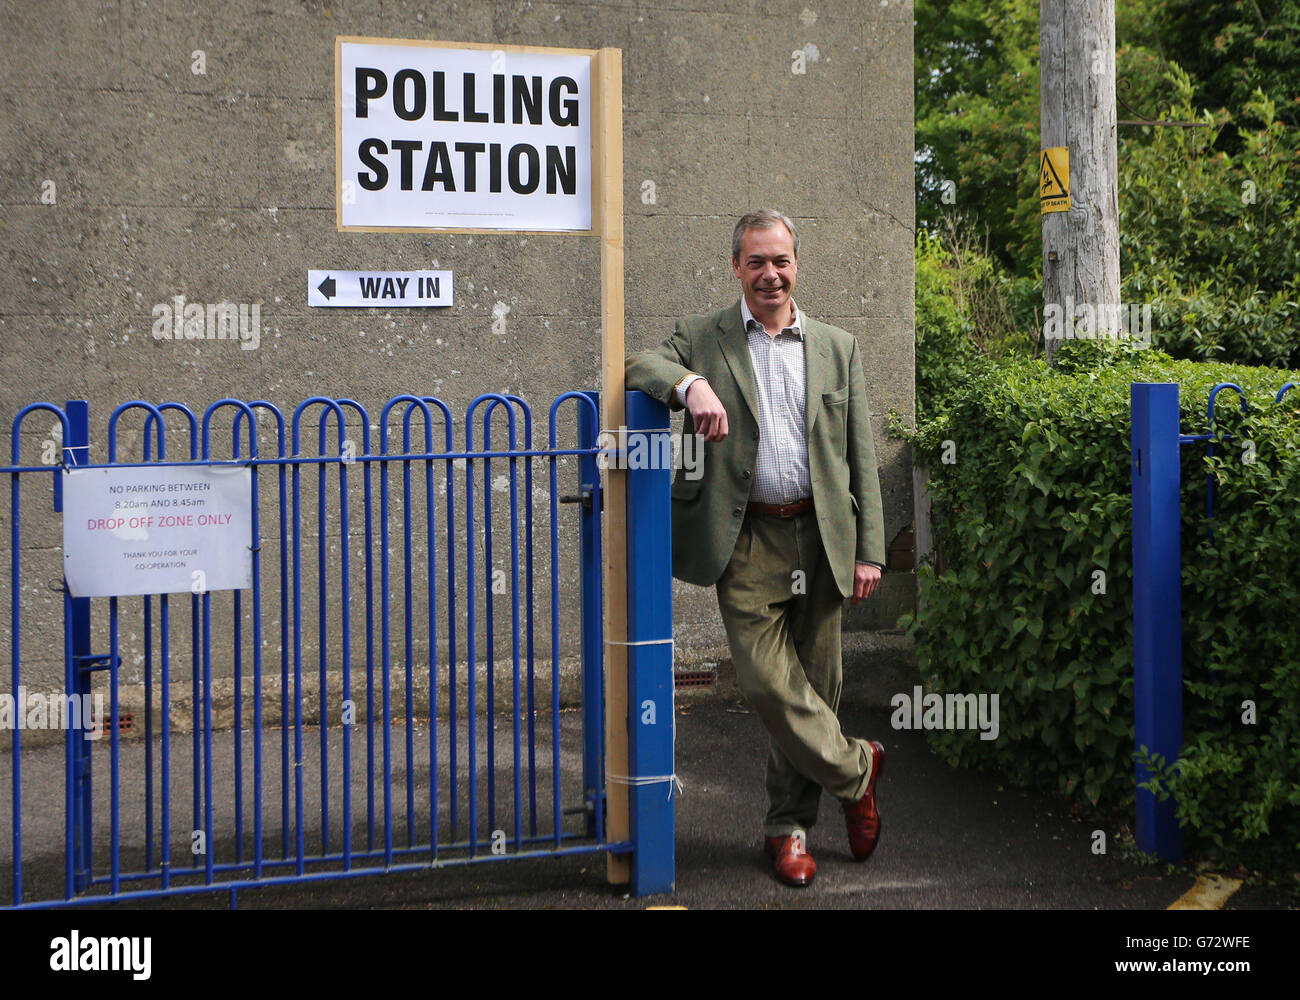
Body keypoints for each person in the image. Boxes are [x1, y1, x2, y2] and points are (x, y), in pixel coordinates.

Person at [624, 209, 888, 887]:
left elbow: (860, 453)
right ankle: (858, 772)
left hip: (824, 535)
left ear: (797, 264)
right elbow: (637, 364)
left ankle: (789, 830)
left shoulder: (838, 345)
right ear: (736, 266)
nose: (770, 274)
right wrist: (690, 384)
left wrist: (870, 551)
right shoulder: (704, 337)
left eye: (781, 261)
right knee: (771, 686)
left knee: (815, 689)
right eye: (756, 262)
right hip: (746, 537)